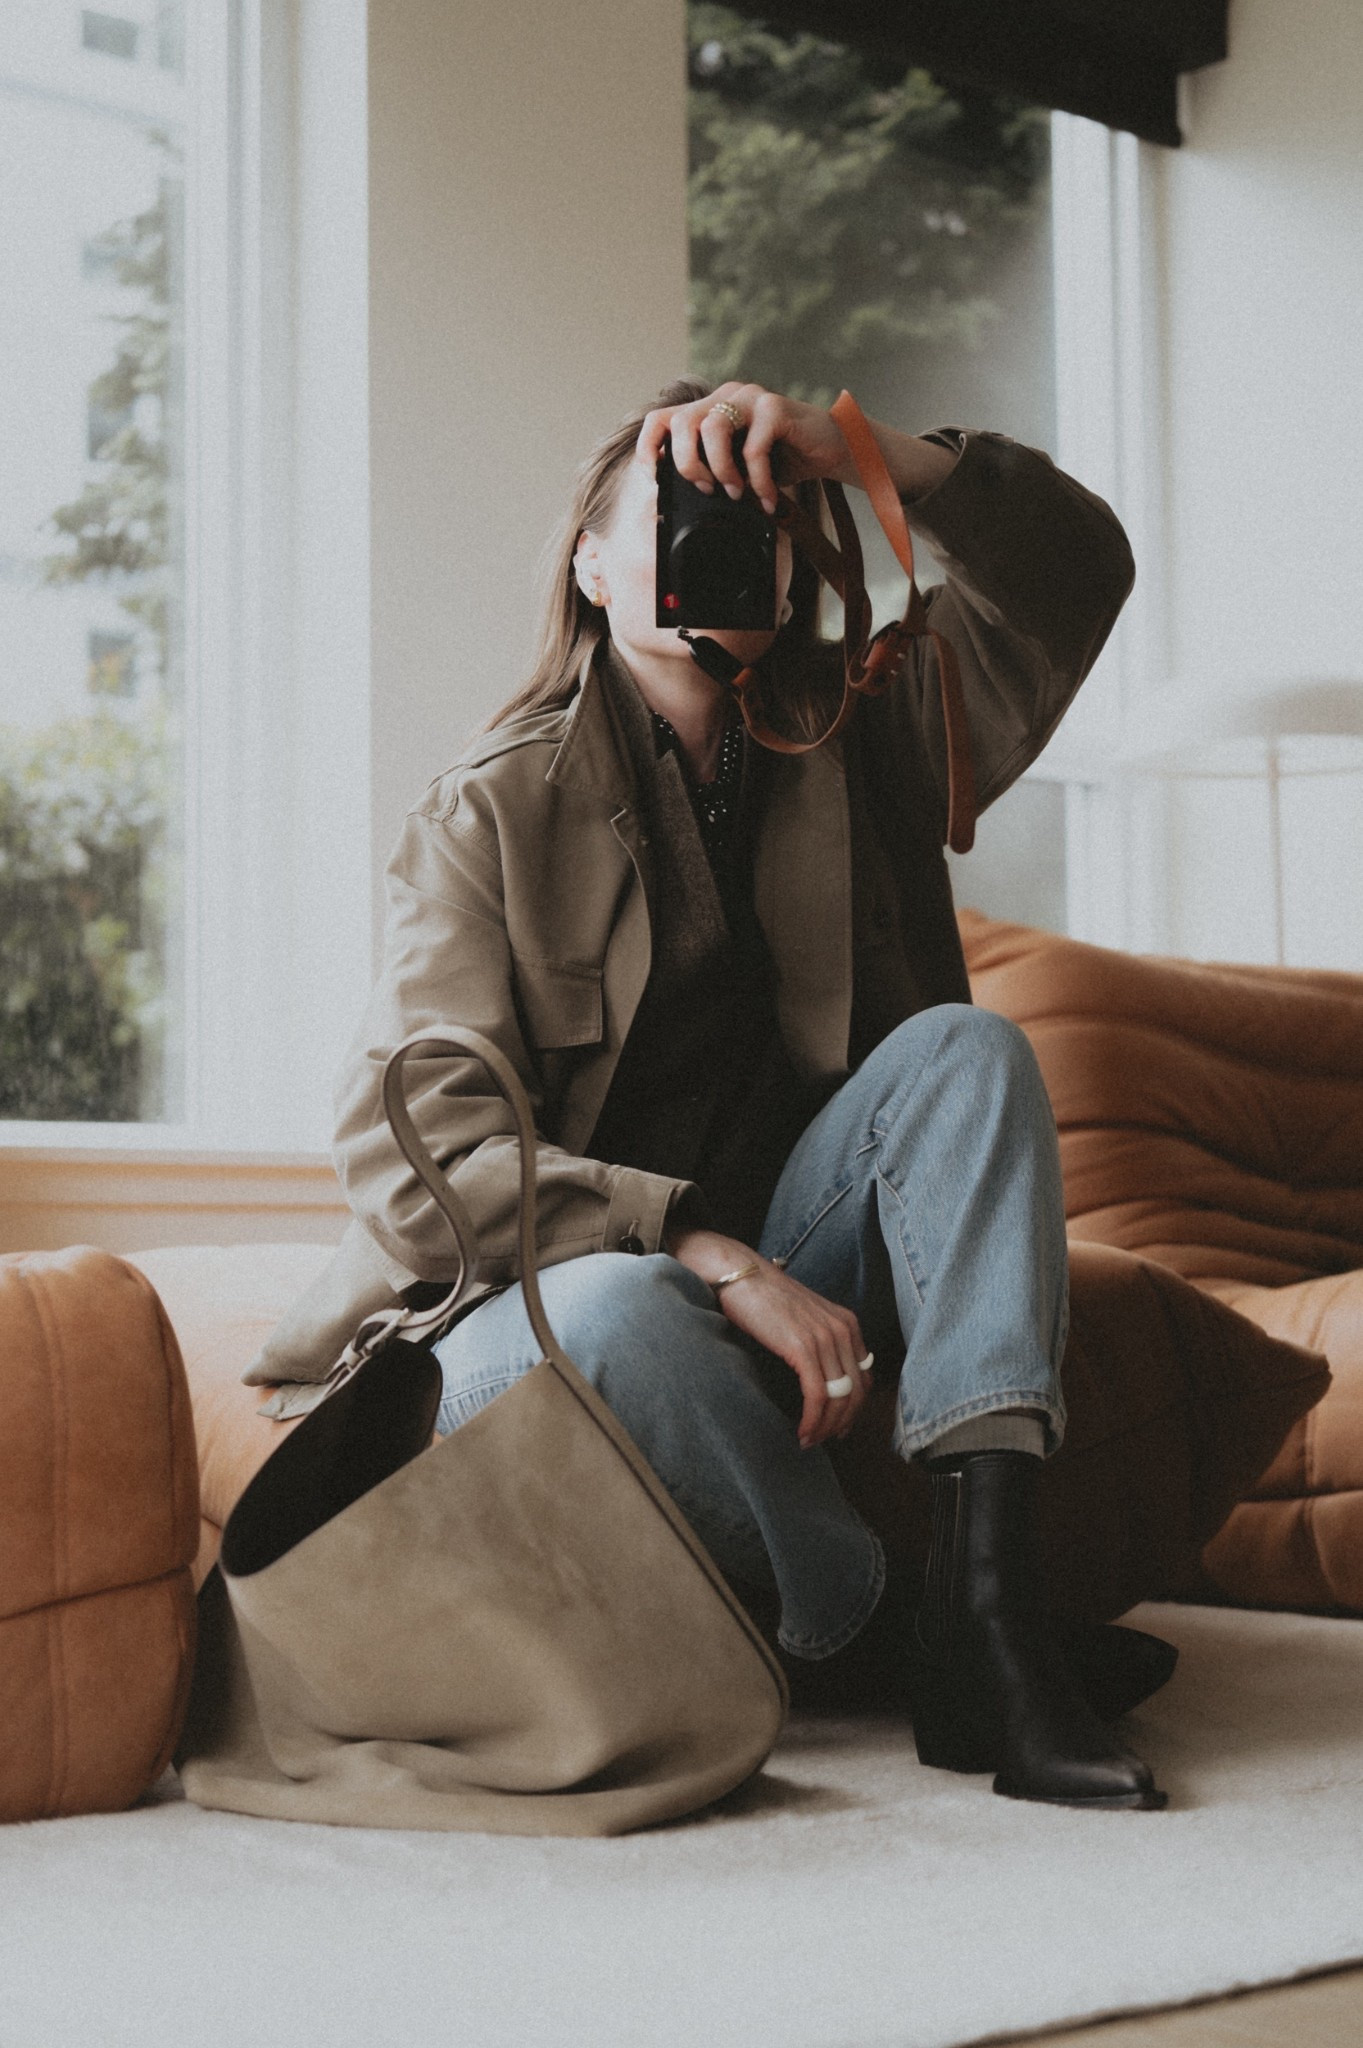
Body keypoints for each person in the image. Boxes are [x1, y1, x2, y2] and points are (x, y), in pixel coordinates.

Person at [331, 377, 1169, 1811]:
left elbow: (1078, 575)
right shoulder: (485, 810)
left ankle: (988, 1618)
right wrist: (705, 1257)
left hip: (819, 1254)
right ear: (589, 569)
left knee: (972, 1052)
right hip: (556, 1315)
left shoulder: (868, 734)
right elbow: (423, 1171)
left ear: (800, 565)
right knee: (612, 1305)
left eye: (757, 522)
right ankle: (872, 1628)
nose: (720, 541)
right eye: (670, 517)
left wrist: (866, 451)